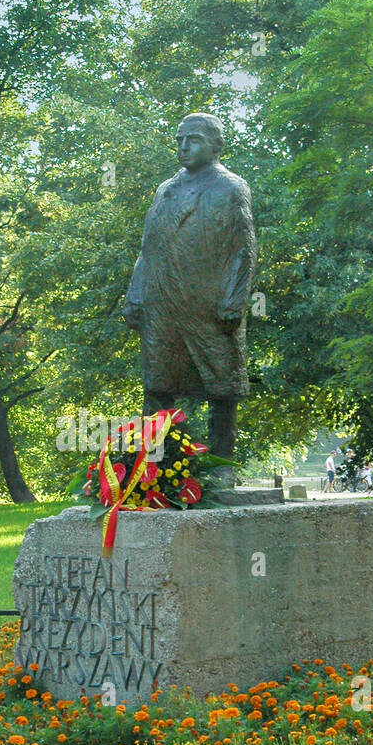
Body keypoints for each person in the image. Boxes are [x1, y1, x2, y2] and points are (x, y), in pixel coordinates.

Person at [123, 112, 256, 475]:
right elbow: (148, 248)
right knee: (158, 386)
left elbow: (243, 248)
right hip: (162, 303)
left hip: (209, 306)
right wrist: (135, 294)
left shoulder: (231, 187)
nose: (183, 147)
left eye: (193, 139)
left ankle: (222, 467)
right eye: (180, 139)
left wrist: (234, 301)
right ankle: (156, 465)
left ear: (216, 145)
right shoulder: (165, 189)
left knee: (222, 388)